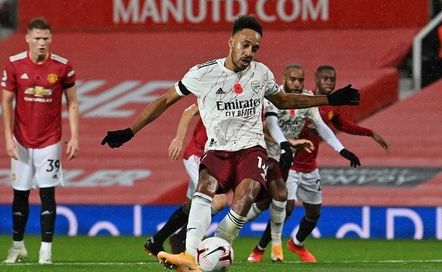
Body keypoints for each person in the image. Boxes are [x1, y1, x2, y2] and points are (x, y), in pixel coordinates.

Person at [101, 15, 360, 272]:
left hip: (251, 148)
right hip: (217, 148)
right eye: (244, 45)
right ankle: (191, 257)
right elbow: (165, 101)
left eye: (255, 48)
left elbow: (284, 101)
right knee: (205, 188)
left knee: (246, 194)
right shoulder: (203, 73)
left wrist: (329, 99)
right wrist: (129, 131)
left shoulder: (261, 73)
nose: (249, 52)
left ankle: (219, 247)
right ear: (231, 42)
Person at [247, 64, 388, 264]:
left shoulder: (319, 105)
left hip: (309, 166)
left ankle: (295, 243)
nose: (329, 82)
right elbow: (270, 125)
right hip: (286, 160)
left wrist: (344, 148)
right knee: (281, 206)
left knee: (313, 213)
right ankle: (259, 249)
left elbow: (329, 125)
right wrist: (288, 143)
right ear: (316, 79)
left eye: (332, 79)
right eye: (325, 78)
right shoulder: (285, 98)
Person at [1, 17, 79, 265]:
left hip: (50, 141)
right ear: (27, 39)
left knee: (47, 194)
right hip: (21, 140)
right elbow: (6, 102)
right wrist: (8, 138)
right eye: (37, 38)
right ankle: (17, 247)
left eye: (45, 38)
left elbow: (73, 102)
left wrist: (75, 136)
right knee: (20, 194)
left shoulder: (62, 67)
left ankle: (45, 251)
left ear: (51, 38)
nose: (41, 43)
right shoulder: (14, 65)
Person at [144, 103, 227, 256]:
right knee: (218, 201)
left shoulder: (241, 99)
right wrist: (178, 139)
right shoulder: (215, 92)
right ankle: (181, 238)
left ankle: (156, 241)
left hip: (212, 159)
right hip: (198, 156)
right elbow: (188, 112)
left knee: (190, 206)